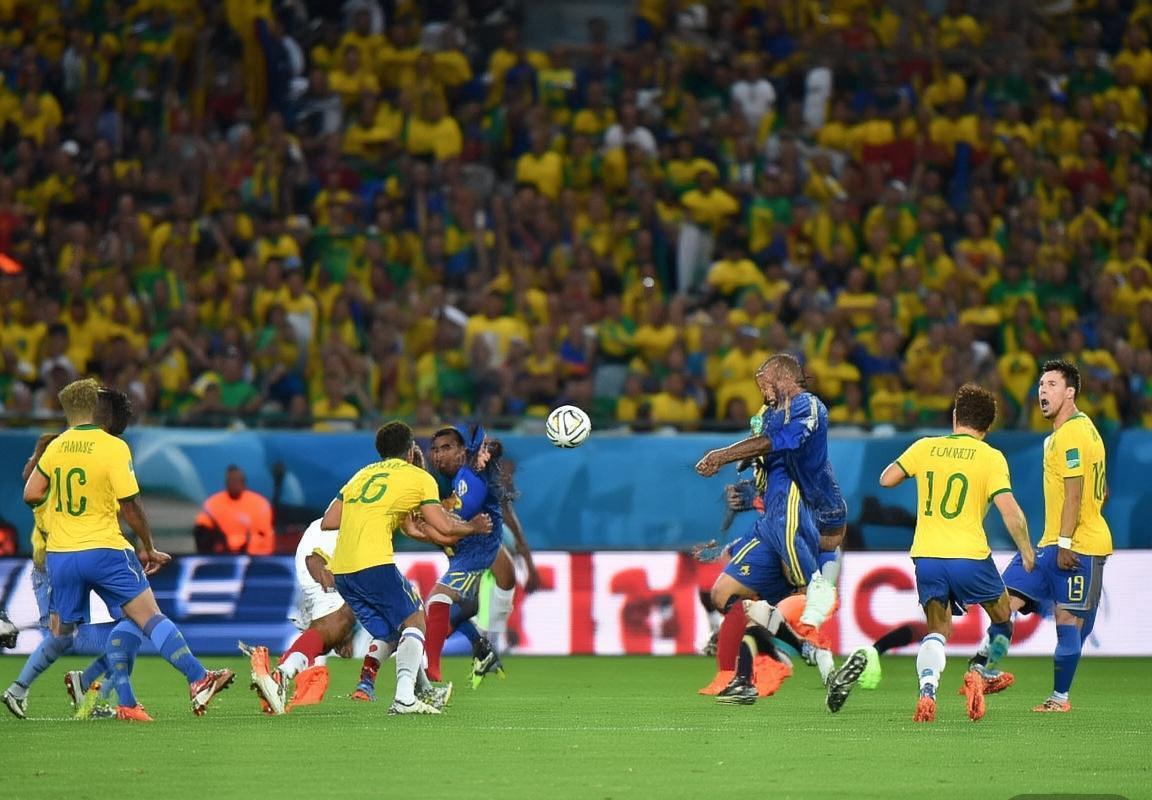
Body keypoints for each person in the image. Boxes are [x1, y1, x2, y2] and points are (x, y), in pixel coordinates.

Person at [20, 378, 235, 721]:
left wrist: (59, 514)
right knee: (148, 617)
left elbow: (31, 493)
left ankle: (96, 686)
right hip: (104, 549)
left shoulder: (59, 445)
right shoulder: (113, 447)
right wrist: (149, 546)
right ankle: (198, 679)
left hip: (61, 554)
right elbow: (131, 505)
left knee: (68, 632)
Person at [877, 383, 1035, 722]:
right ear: (987, 426)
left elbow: (886, 479)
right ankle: (981, 670)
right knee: (1003, 618)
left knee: (938, 630)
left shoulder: (925, 446)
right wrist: (1026, 549)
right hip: (969, 556)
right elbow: (1010, 510)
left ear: (954, 417)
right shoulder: (991, 457)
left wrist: (917, 464)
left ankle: (927, 691)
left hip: (928, 556)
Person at [315, 420, 490, 715]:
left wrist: (378, 512)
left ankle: (415, 689)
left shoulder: (362, 474)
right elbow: (444, 525)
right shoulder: (418, 478)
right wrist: (473, 527)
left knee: (393, 634)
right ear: (411, 450)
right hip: (374, 563)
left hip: (342, 570)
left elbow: (329, 521)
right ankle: (404, 698)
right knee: (416, 622)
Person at [695, 357, 847, 661]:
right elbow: (764, 458)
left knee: (801, 597)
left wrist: (722, 455)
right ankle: (786, 644)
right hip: (781, 515)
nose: (762, 391)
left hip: (819, 514)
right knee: (725, 594)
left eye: (765, 384)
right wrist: (748, 491)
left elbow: (777, 443)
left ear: (784, 379)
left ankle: (812, 653)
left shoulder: (807, 405)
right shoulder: (769, 414)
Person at [3, 387, 138, 720]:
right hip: (63, 562)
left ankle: (88, 691)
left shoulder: (52, 485)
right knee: (90, 633)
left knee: (122, 627)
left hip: (69, 560)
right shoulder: (56, 491)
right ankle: (35, 686)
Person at [988, 360, 1112, 713]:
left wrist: (1067, 541)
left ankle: (1059, 699)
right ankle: (985, 668)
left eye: (1052, 385)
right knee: (1003, 600)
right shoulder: (1082, 429)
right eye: (1041, 385)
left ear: (1070, 392)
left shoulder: (1071, 434)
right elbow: (1102, 491)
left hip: (1077, 547)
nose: (1043, 391)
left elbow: (1074, 493)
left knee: (1067, 623)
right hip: (1050, 543)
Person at [244, 514, 452, 715]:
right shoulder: (382, 510)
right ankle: (282, 674)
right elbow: (316, 553)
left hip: (337, 542)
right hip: (338, 545)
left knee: (396, 619)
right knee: (340, 623)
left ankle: (414, 688)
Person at [418, 425, 514, 690]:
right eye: (435, 450)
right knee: (462, 607)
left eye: (447, 448)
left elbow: (492, 446)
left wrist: (489, 451)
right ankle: (482, 649)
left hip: (478, 548)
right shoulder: (445, 481)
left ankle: (432, 673)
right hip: (462, 549)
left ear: (463, 450)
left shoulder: (470, 475)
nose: (439, 455)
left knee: (438, 601)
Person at [193, 465, 276, 555]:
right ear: (226, 483)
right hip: (220, 557)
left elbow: (264, 535)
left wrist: (239, 545)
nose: (234, 484)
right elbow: (201, 531)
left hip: (253, 557)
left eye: (237, 480)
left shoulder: (260, 504)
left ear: (244, 483)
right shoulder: (212, 504)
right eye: (231, 480)